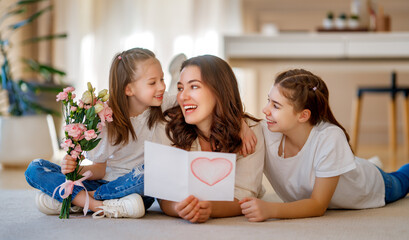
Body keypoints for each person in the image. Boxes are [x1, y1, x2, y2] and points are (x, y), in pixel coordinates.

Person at [239, 69, 409, 222]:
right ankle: (365, 162)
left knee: (403, 179)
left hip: (374, 185)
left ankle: (371, 166)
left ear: (303, 115)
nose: (265, 110)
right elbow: (228, 115)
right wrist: (242, 125)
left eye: (275, 105)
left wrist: (271, 209)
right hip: (341, 167)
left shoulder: (330, 137)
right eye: (269, 100)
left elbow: (318, 205)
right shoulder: (268, 131)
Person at [25, 48, 173, 218]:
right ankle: (99, 205)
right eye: (153, 83)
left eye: (162, 79)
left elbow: (187, 99)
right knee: (35, 167)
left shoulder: (164, 102)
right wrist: (73, 169)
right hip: (104, 182)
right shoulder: (106, 117)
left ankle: (77, 199)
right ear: (128, 89)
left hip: (135, 187)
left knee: (157, 169)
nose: (162, 86)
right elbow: (100, 171)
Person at [159, 55, 265, 223]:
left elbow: (244, 195)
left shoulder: (251, 131)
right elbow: (164, 192)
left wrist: (210, 208)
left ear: (219, 91)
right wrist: (177, 208)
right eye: (180, 88)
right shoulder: (169, 126)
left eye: (194, 86)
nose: (183, 96)